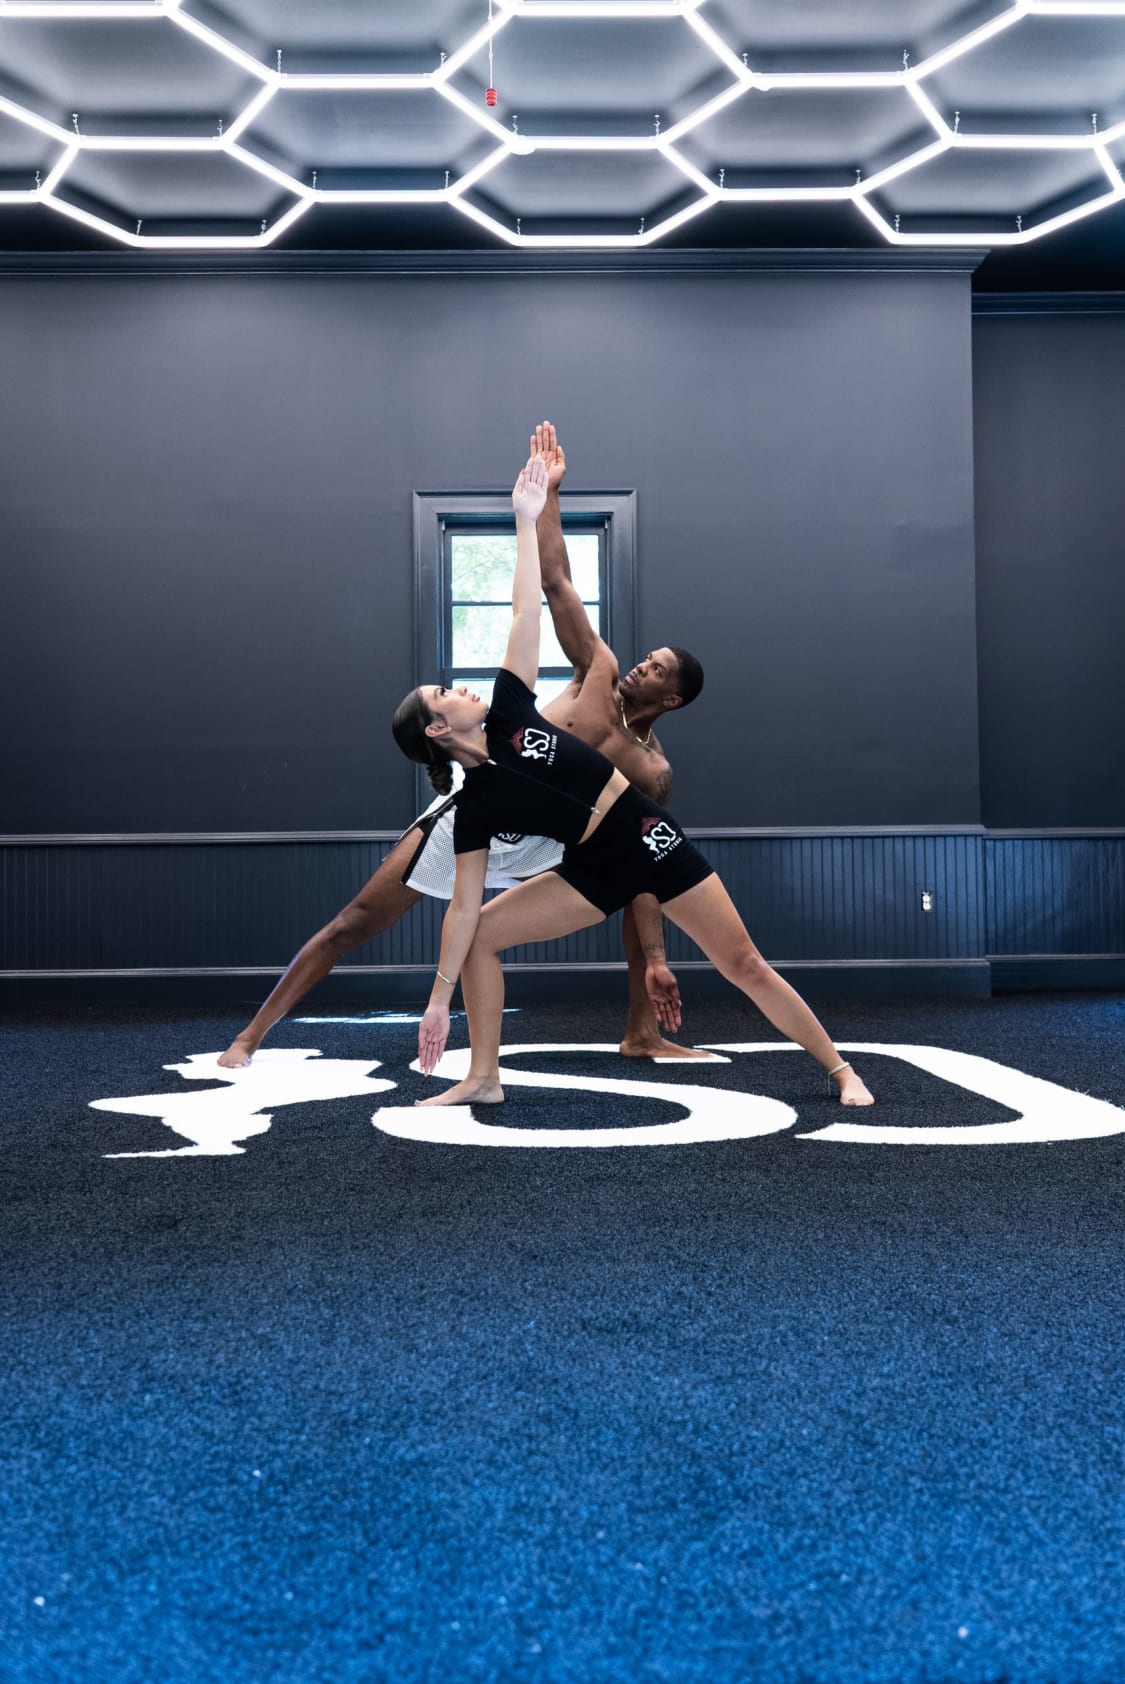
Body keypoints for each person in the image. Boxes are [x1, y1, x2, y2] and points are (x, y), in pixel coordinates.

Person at [392, 451, 875, 1109]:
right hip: (589, 865)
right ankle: (482, 1076)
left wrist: (526, 516)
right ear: (436, 731)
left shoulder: (509, 708)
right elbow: (462, 907)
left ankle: (840, 1070)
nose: (460, 687)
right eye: (444, 692)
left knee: (743, 965)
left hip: (644, 837)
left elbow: (526, 610)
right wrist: (436, 1001)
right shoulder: (472, 806)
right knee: (479, 936)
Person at [218, 423, 705, 1070]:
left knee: (634, 877)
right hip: (476, 814)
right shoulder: (596, 671)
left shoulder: (650, 769)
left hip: (545, 837)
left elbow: (642, 870)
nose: (643, 666)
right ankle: (249, 1037)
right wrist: (549, 494)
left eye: (658, 669)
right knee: (354, 922)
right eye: (647, 658)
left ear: (671, 699)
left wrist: (661, 961)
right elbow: (553, 585)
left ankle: (640, 1034)